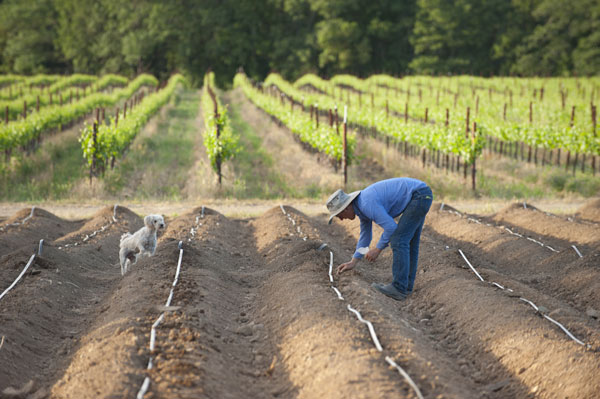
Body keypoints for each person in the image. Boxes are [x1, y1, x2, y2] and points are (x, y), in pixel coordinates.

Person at [326, 177, 433, 301]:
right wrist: (354, 261)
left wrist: (377, 249)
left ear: (345, 208)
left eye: (339, 215)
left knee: (398, 240)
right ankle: (406, 286)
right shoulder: (361, 207)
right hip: (421, 195)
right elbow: (365, 236)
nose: (341, 219)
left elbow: (391, 227)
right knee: (409, 242)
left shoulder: (366, 204)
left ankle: (398, 288)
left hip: (418, 196)